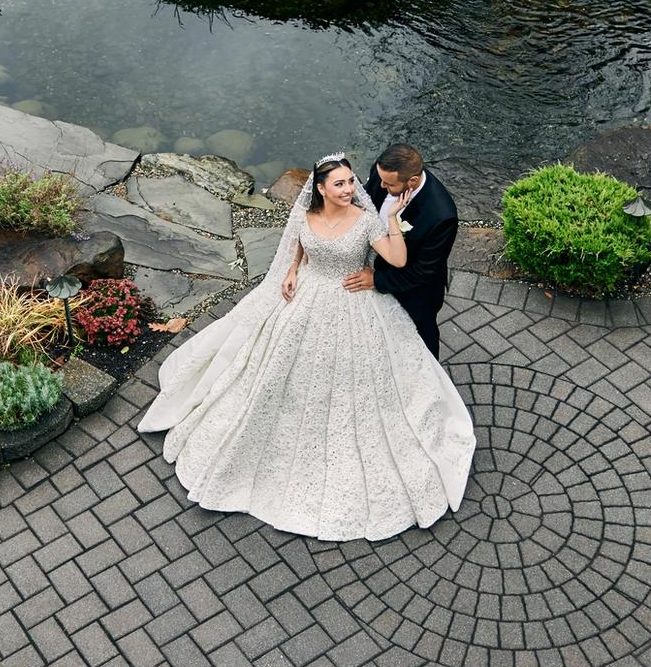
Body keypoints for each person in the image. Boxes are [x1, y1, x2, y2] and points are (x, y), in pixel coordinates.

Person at [137, 153, 474, 541]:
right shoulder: (306, 215)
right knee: (278, 371)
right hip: (308, 299)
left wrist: (392, 223)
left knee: (363, 380)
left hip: (357, 301)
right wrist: (294, 268)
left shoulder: (368, 220)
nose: (353, 189)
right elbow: (299, 244)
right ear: (320, 189)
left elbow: (400, 261)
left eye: (351, 183)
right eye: (341, 184)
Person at [352, 143, 458, 359]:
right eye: (380, 177)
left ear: (412, 181)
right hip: (370, 267)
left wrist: (377, 280)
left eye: (389, 184)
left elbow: (425, 270)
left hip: (414, 292)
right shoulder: (385, 171)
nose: (380, 185)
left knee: (422, 338)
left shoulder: (441, 215)